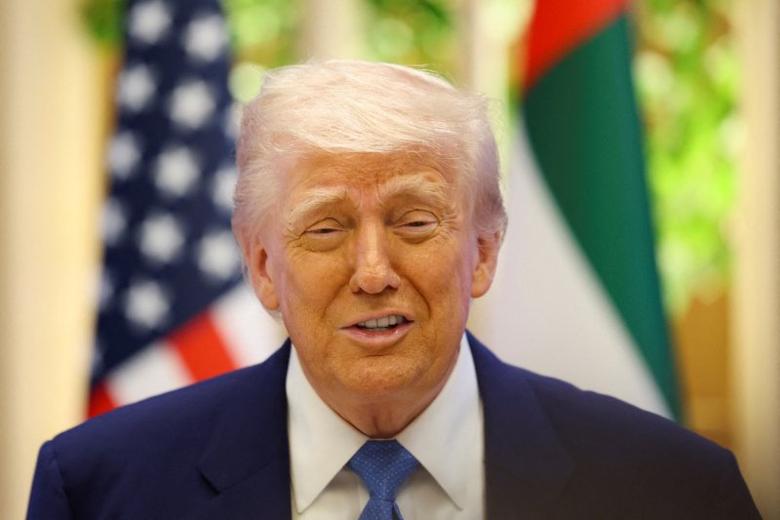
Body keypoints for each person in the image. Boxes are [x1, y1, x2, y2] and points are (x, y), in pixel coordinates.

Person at [28, 60, 759, 519]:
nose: (373, 272)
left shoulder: (673, 491)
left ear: (482, 252)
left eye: (414, 222)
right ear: (262, 266)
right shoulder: (99, 490)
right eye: (326, 229)